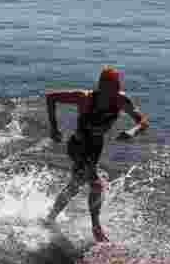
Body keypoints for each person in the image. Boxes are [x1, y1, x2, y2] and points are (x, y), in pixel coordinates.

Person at [44, 65, 149, 241]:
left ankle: (50, 217)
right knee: (96, 185)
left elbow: (143, 121)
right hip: (78, 146)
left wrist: (133, 131)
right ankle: (96, 228)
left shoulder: (121, 100)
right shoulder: (84, 98)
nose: (111, 94)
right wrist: (54, 129)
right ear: (100, 86)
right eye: (107, 88)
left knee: (75, 185)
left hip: (95, 148)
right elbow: (51, 97)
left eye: (115, 88)